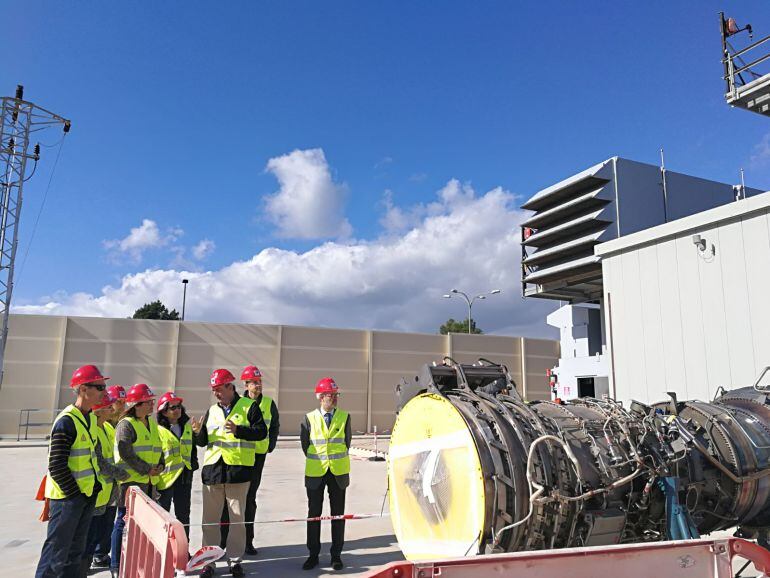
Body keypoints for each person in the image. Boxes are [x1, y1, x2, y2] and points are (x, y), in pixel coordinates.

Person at [192, 368, 267, 578]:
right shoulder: (212, 411)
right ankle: (209, 563)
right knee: (209, 521)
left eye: (219, 389)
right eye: (213, 390)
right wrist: (198, 432)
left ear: (230, 386)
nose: (216, 393)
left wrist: (239, 430)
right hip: (213, 473)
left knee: (237, 520)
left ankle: (235, 561)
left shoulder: (249, 407)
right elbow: (204, 442)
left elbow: (262, 433)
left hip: (238, 472)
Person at [35, 364, 108, 578]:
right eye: (100, 387)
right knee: (55, 556)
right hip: (67, 499)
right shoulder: (67, 422)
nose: (104, 391)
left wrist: (91, 490)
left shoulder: (89, 419)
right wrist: (75, 495)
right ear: (84, 389)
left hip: (84, 497)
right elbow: (56, 465)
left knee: (74, 554)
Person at [220, 365, 280, 555]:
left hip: (258, 456)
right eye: (254, 382)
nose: (258, 385)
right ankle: (224, 540)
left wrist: (270, 445)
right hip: (238, 456)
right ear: (246, 384)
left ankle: (247, 541)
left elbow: (274, 426)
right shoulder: (239, 403)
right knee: (230, 499)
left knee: (249, 498)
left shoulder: (269, 404)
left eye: (260, 381)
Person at [110, 384, 164, 576]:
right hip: (130, 482)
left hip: (149, 482)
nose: (152, 405)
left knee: (144, 525)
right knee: (123, 521)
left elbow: (158, 448)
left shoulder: (151, 424)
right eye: (148, 402)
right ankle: (116, 565)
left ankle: (137, 561)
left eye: (152, 402)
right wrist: (146, 469)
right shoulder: (126, 425)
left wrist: (160, 466)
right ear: (137, 405)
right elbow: (126, 453)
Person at [300, 377, 351, 571]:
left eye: (337, 395)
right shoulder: (309, 418)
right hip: (315, 473)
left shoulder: (345, 416)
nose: (336, 398)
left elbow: (347, 443)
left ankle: (336, 555)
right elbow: (306, 446)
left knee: (338, 516)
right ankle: (313, 555)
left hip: (338, 473)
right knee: (314, 515)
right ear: (321, 397)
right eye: (332, 395)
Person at [81, 390, 129, 576]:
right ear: (98, 410)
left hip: (109, 491)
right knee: (89, 536)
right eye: (109, 406)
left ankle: (98, 556)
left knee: (102, 530)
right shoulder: (92, 428)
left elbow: (113, 456)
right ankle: (82, 568)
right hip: (96, 491)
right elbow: (100, 461)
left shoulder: (108, 428)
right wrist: (121, 473)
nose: (112, 409)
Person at [156, 391, 198, 538]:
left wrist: (193, 465)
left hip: (184, 477)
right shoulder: (158, 431)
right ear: (164, 411)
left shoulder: (187, 427)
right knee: (163, 518)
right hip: (165, 480)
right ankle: (163, 552)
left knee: (184, 516)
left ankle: (183, 551)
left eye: (179, 406)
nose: (177, 410)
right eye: (173, 407)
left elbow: (192, 449)